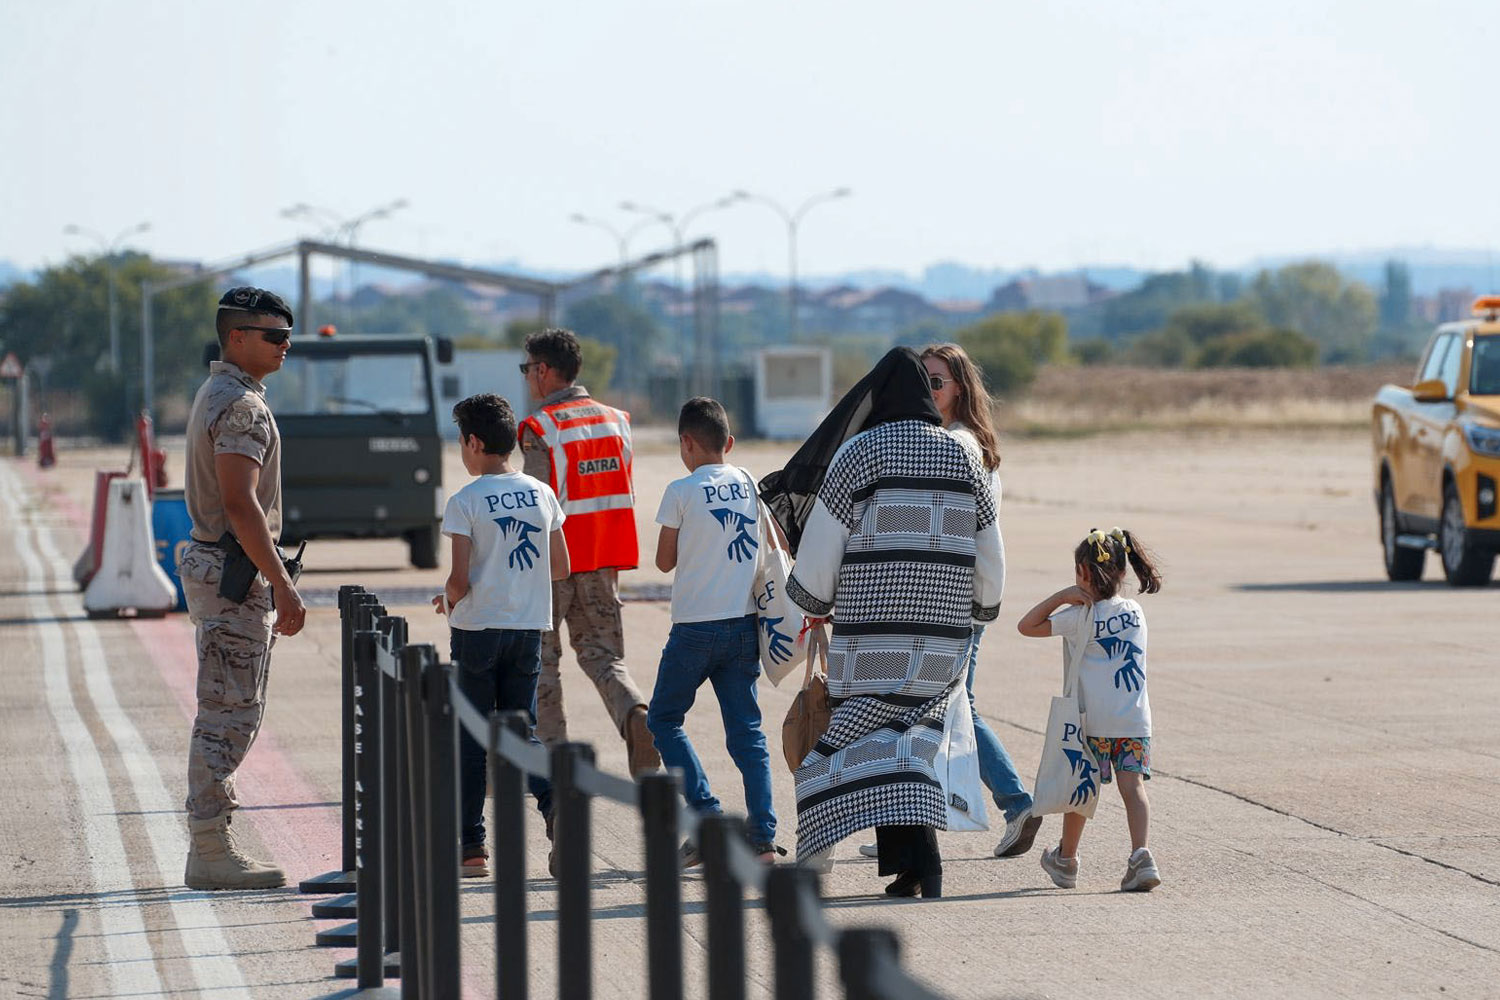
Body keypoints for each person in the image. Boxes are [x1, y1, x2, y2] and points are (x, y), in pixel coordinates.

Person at [772, 347, 1005, 899]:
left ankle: (827, 856)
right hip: (944, 641)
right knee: (909, 746)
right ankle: (916, 869)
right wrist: (979, 611)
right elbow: (989, 550)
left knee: (843, 751)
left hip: (873, 638)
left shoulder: (860, 453)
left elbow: (823, 549)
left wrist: (810, 597)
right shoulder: (962, 455)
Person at [858, 343, 1041, 860]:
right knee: (931, 710)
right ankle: (909, 827)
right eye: (923, 382)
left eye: (936, 382)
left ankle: (1015, 802)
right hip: (955, 599)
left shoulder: (957, 446)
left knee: (948, 707)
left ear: (960, 387)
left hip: (950, 603)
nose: (928, 390)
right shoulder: (964, 442)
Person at [180, 286, 306, 890]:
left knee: (231, 707)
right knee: (229, 713)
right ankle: (209, 848)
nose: (285, 346)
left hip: (221, 567)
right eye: (273, 336)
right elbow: (239, 502)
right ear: (236, 337)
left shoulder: (221, 391)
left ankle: (212, 841)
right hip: (234, 573)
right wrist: (282, 583)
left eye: (288, 336)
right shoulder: (243, 406)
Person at [432, 393, 567, 878]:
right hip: (528, 627)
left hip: (477, 629)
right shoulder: (541, 492)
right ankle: (554, 805)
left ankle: (472, 847)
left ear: (473, 441)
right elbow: (562, 566)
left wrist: (446, 599)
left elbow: (460, 580)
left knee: (471, 735)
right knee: (522, 729)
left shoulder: (464, 501)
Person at [518, 328, 660, 774]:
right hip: (602, 560)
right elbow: (619, 494)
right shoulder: (617, 421)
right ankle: (636, 714)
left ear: (544, 371)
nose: (526, 379)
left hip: (551, 565)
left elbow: (535, 506)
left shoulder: (542, 428)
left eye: (527, 370)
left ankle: (549, 761)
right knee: (604, 656)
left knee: (542, 664)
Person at [648, 398, 779, 865]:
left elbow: (665, 561)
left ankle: (705, 817)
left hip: (693, 631)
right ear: (729, 442)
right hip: (743, 626)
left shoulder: (680, 490)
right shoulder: (746, 482)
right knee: (747, 732)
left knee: (663, 720)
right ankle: (763, 836)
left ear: (686, 442)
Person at [1017, 527, 1163, 892]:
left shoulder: (1077, 616)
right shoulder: (1135, 612)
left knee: (1082, 792)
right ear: (1123, 572)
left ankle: (1066, 860)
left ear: (1082, 573)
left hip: (1092, 722)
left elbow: (1026, 626)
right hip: (1133, 720)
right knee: (1134, 790)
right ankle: (1141, 856)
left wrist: (1062, 597)